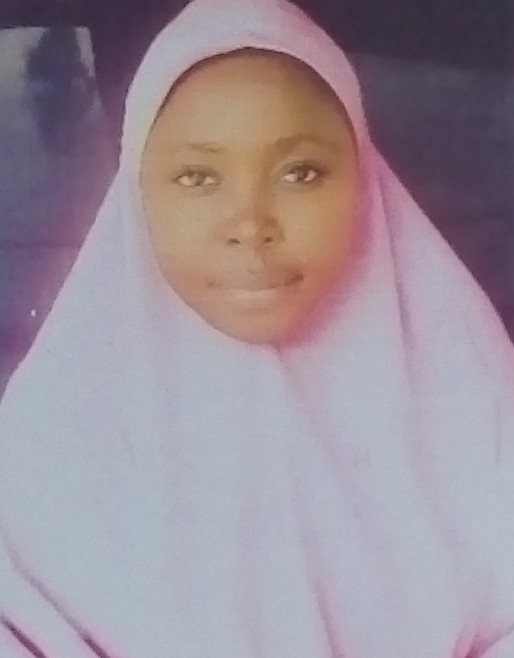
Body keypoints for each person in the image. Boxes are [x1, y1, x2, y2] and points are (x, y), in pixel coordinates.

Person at [1, 0, 514, 655]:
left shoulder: (465, 393)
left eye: (301, 173)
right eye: (197, 177)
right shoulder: (61, 424)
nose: (249, 222)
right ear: (137, 195)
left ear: (363, 186)